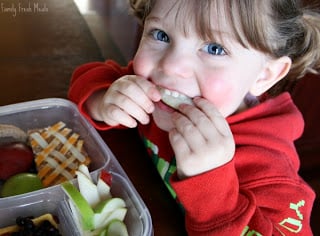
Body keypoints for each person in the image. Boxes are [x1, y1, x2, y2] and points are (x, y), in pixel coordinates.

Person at [68, 0, 320, 234]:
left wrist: (212, 186)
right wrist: (103, 101)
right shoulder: (153, 84)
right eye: (161, 35)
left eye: (215, 48)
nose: (171, 65)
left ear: (264, 75)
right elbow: (89, 78)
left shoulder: (270, 167)